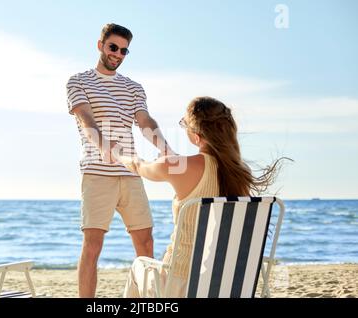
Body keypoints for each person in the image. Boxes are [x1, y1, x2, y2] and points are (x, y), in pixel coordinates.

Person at [120, 96, 286, 297]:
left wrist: (118, 153)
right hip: (228, 287)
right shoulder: (241, 172)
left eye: (185, 124)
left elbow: (139, 166)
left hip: (181, 286)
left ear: (196, 134)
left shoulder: (178, 166)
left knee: (140, 264)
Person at [66, 23, 175, 298]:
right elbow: (85, 119)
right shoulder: (78, 81)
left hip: (130, 172)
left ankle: (146, 300)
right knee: (93, 245)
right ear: (100, 45)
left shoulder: (134, 87)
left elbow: (145, 121)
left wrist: (166, 149)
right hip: (96, 172)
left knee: (145, 242)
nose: (118, 54)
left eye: (124, 51)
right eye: (113, 47)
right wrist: (104, 145)